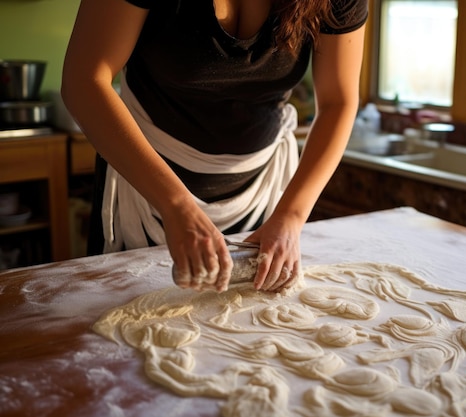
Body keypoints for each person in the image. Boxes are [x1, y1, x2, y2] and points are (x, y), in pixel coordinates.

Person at [61, 0, 367, 293]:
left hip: (263, 196)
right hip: (146, 191)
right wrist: (176, 205)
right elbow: (84, 80)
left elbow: (337, 102)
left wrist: (291, 217)